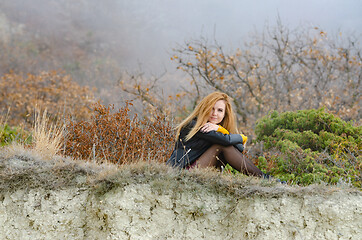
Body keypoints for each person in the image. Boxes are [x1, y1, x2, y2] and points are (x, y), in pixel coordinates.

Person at [166, 91, 266, 178]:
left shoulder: (216, 129)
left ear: (224, 114)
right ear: (205, 108)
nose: (215, 113)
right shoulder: (195, 125)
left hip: (202, 170)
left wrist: (222, 130)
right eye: (211, 108)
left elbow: (239, 148)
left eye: (220, 110)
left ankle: (265, 178)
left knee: (225, 145)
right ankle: (265, 179)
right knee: (221, 146)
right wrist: (242, 137)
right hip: (183, 173)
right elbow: (228, 142)